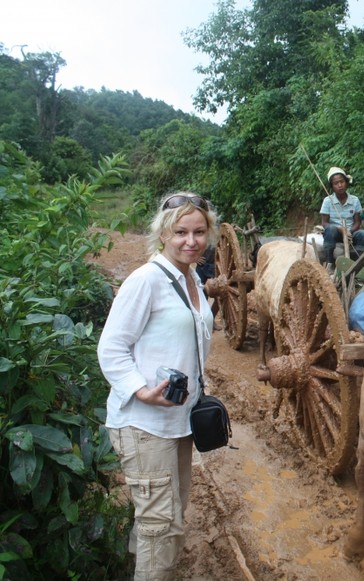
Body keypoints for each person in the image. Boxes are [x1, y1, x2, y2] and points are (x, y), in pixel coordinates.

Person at [98, 191, 219, 581]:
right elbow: (111, 347)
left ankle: (139, 567)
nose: (191, 241)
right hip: (144, 424)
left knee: (166, 515)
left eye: (199, 232)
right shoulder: (146, 280)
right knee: (161, 527)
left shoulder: (192, 280)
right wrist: (140, 389)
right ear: (163, 233)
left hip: (177, 423)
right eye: (180, 231)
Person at [319, 166, 364, 269]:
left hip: (351, 233)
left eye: (342, 182)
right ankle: (329, 263)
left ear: (346, 182)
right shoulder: (328, 201)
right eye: (336, 183)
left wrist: (349, 231)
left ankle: (358, 265)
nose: (340, 185)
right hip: (335, 233)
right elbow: (324, 223)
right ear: (332, 186)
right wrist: (341, 230)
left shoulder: (354, 200)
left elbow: (357, 222)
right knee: (330, 229)